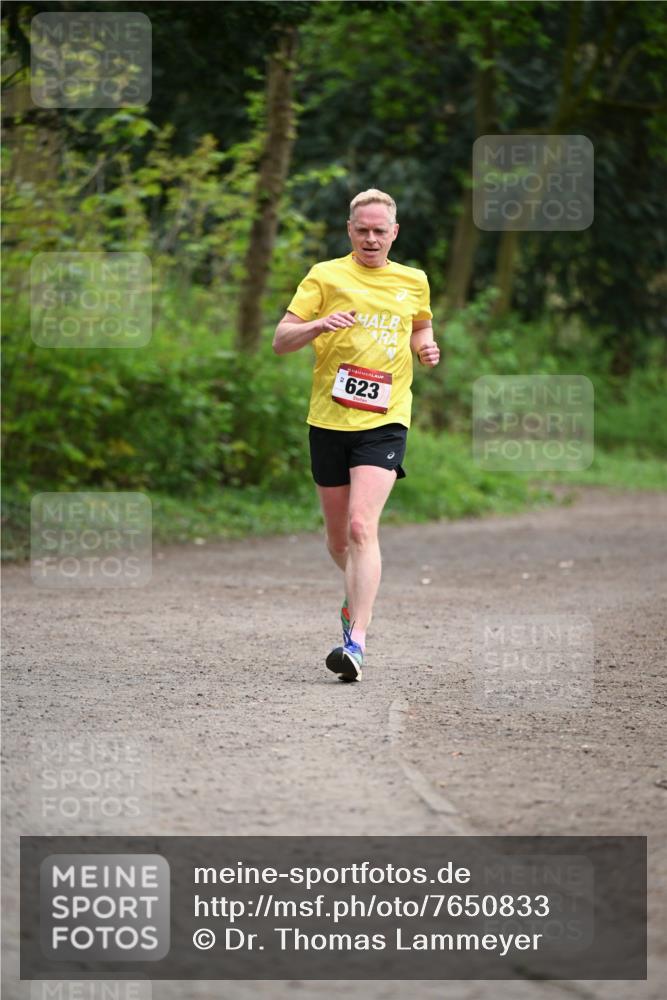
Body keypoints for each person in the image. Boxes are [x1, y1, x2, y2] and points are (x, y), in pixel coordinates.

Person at [273, 189, 439, 682]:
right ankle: (355, 597)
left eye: (379, 231)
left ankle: (356, 642)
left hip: (386, 419)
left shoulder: (413, 280)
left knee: (363, 527)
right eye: (362, 230)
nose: (370, 238)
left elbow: (420, 327)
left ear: (394, 233)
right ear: (349, 230)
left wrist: (426, 347)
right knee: (339, 539)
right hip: (329, 419)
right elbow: (281, 340)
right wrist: (319, 324)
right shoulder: (324, 276)